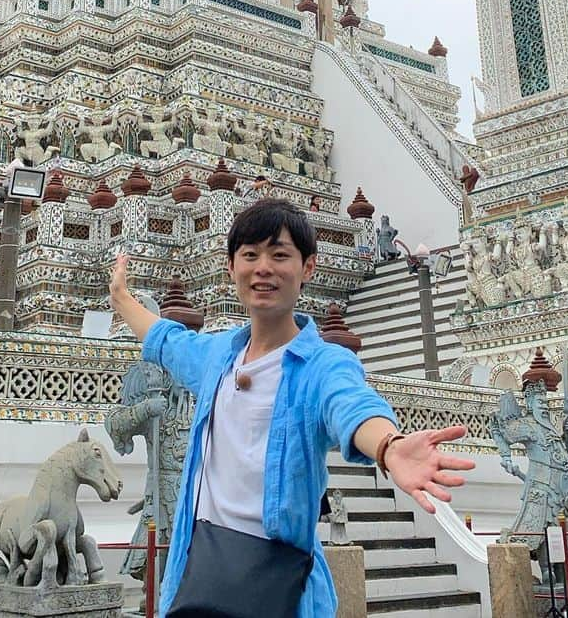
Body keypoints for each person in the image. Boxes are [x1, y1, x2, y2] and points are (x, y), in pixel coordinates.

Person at [109, 198, 474, 617]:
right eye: (250, 255)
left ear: (309, 267)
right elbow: (166, 341)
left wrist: (388, 446)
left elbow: (351, 404)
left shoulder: (322, 364)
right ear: (231, 268)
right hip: (203, 570)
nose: (263, 267)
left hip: (280, 585)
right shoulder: (217, 356)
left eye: (280, 255)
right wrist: (121, 298)